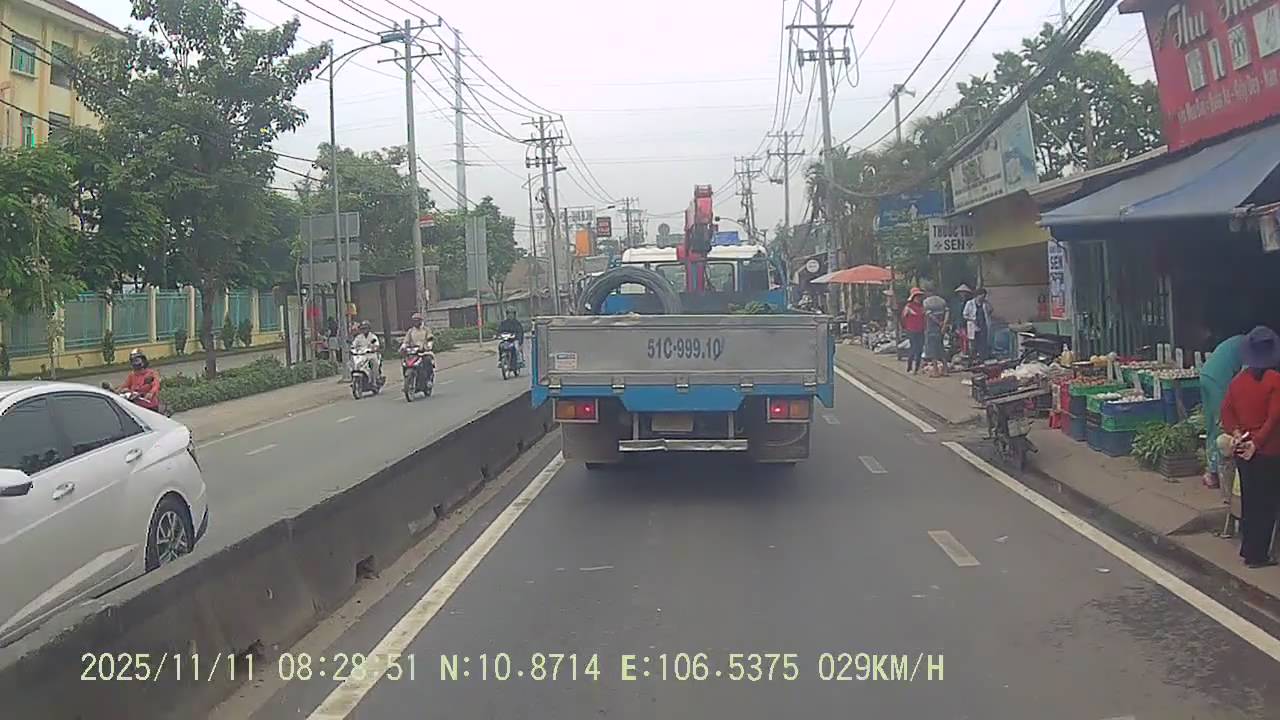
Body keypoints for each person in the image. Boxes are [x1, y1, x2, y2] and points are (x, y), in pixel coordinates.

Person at [1220, 325, 1280, 569]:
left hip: (1242, 449)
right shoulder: (1274, 380)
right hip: (1269, 450)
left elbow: (1226, 412)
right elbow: (1274, 418)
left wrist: (1237, 434)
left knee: (1250, 501)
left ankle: (1248, 549)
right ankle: (1259, 555)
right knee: (1266, 504)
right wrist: (1257, 443)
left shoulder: (1238, 381)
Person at [1201, 329, 1247, 490]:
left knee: (1211, 425)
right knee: (1222, 424)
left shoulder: (1239, 341)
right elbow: (1246, 377)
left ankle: (1211, 470)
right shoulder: (1250, 348)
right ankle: (1215, 474)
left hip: (1206, 374)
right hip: (1219, 381)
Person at [901, 288, 927, 374]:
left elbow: (925, 318)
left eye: (919, 296)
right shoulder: (908, 306)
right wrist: (905, 327)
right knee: (913, 348)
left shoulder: (922, 307)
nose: (918, 298)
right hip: (911, 330)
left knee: (920, 349)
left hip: (921, 329)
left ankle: (917, 367)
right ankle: (909, 367)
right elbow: (903, 318)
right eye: (917, 296)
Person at [964, 287, 992, 364]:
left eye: (984, 296)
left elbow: (990, 310)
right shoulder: (970, 303)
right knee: (973, 344)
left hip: (983, 326)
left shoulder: (985, 304)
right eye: (981, 296)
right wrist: (972, 319)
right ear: (977, 295)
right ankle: (972, 359)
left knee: (982, 343)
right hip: (973, 326)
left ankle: (982, 359)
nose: (982, 298)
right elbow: (965, 315)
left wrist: (987, 304)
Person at [923, 292, 948, 377]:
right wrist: (944, 324)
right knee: (941, 348)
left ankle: (936, 371)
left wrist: (938, 322)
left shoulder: (926, 302)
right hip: (941, 329)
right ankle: (945, 370)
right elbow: (947, 312)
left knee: (933, 350)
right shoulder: (942, 301)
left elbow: (930, 315)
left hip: (931, 328)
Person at [949, 284, 974, 364]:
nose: (963, 294)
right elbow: (953, 313)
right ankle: (961, 351)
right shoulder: (955, 302)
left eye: (964, 292)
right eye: (961, 292)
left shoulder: (969, 302)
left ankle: (966, 352)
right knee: (959, 338)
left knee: (967, 338)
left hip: (967, 323)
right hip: (957, 322)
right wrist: (952, 323)